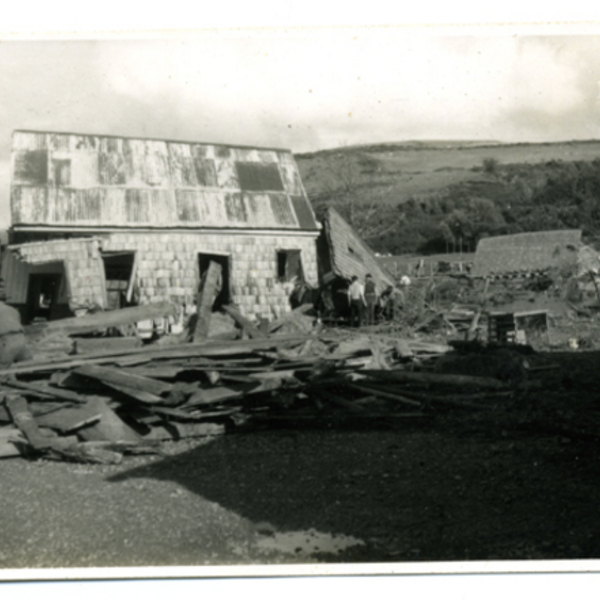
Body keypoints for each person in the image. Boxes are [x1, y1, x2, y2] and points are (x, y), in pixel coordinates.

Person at [0, 301, 31, 368]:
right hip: (21, 338)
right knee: (26, 364)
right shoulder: (12, 309)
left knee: (2, 370)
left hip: (7, 341)